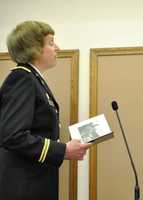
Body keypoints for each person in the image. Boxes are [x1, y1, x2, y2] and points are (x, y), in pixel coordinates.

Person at [0, 20, 91, 200]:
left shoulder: (33, 79)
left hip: (34, 183)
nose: (57, 47)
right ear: (33, 48)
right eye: (51, 42)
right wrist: (62, 150)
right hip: (23, 188)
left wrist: (63, 149)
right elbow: (12, 136)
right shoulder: (22, 79)